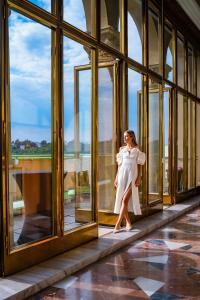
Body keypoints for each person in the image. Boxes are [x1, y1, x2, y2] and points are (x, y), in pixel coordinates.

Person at [113, 130, 146, 233]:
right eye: (124, 136)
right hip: (122, 176)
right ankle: (128, 223)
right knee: (123, 200)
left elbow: (140, 166)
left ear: (132, 137)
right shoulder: (122, 150)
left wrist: (139, 177)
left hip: (132, 177)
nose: (125, 138)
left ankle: (117, 225)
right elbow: (119, 166)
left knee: (124, 200)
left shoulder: (137, 151)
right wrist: (116, 178)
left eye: (126, 136)